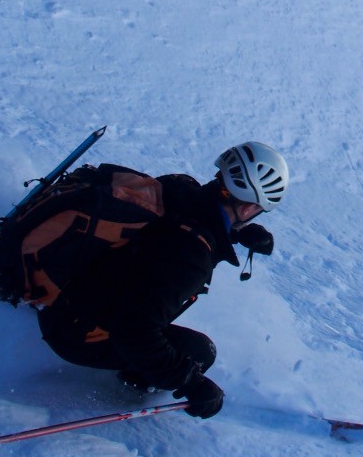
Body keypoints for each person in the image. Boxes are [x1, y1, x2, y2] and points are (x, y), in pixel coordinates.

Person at [35, 141, 288, 419]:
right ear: (248, 208)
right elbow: (134, 332)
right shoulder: (190, 257)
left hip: (70, 285)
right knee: (199, 353)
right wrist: (192, 383)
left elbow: (181, 227)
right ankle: (126, 394)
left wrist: (237, 234)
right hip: (71, 330)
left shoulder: (181, 187)